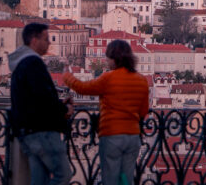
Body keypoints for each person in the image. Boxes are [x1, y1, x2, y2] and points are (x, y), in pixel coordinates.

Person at [64, 40, 150, 185]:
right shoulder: (141, 80)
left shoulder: (108, 78)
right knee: (126, 179)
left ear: (113, 59)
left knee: (110, 179)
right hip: (133, 136)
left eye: (107, 58)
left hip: (112, 134)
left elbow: (83, 88)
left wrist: (67, 76)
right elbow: (143, 110)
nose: (106, 61)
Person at [9, 23, 73, 185]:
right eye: (46, 39)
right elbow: (43, 98)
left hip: (27, 131)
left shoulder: (20, 64)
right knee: (63, 175)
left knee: (39, 180)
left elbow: (35, 96)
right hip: (42, 131)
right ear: (34, 40)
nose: (49, 43)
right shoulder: (33, 63)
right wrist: (65, 109)